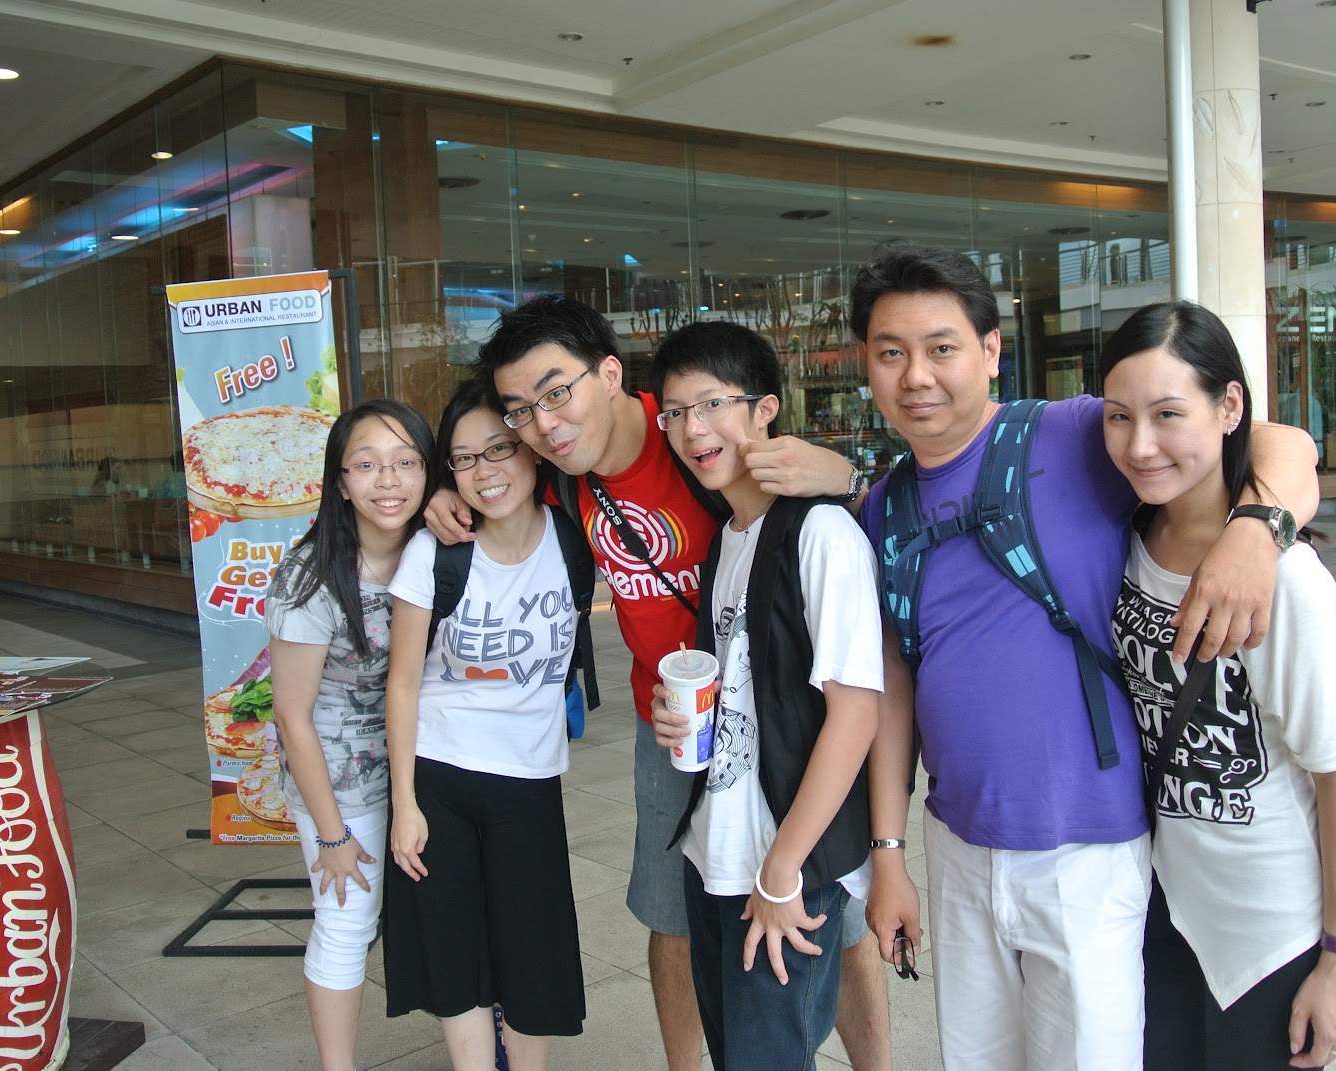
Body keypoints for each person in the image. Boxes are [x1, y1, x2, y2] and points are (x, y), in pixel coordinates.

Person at [855, 245, 1323, 1071]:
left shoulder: (1071, 432)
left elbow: (1282, 442)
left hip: (1087, 848)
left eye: (941, 347)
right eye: (891, 352)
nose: (916, 375)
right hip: (956, 841)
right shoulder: (885, 506)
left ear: (991, 351)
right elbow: (896, 683)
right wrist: (888, 854)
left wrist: (1258, 530)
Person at [425, 297, 894, 1071]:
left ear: (609, 375)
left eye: (556, 392)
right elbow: (486, 462)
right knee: (674, 913)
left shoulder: (689, 429)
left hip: (780, 716)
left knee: (825, 917)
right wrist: (444, 491)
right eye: (523, 411)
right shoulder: (561, 468)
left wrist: (844, 472)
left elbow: (823, 515)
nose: (544, 424)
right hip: (672, 720)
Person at [1101, 300, 1336, 1071]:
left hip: (1270, 932)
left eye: (1168, 414)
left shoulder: (1287, 581)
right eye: (1120, 417)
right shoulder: (1125, 533)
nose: (1140, 444)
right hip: (1160, 906)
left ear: (1229, 407)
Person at [647, 322, 882, 1070]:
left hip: (784, 866)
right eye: (676, 412)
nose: (694, 429)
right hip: (714, 853)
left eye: (712, 403)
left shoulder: (823, 533)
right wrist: (678, 717)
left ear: (765, 408)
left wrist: (783, 870)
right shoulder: (727, 538)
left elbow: (856, 714)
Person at [385, 377, 586, 1070]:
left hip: (529, 778)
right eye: (464, 459)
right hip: (438, 777)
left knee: (532, 951)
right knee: (454, 950)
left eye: (498, 448)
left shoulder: (572, 537)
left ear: (531, 448)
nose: (484, 471)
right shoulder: (434, 552)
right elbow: (402, 683)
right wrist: (405, 804)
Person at [263, 398, 434, 1071]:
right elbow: (293, 718)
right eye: (366, 465)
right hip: (342, 778)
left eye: (405, 462)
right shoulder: (310, 577)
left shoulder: (436, 550)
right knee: (346, 920)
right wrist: (332, 837)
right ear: (340, 482)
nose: (388, 481)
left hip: (425, 761)